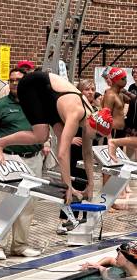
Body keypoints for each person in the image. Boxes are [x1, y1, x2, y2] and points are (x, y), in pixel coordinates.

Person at [0, 71, 113, 204]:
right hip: (33, 85)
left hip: (50, 96)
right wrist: (68, 187)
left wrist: (91, 185)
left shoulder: (90, 118)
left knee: (60, 134)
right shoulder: (76, 114)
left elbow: (87, 153)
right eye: (97, 135)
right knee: (41, 135)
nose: (95, 138)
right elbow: (62, 154)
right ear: (93, 125)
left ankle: (68, 185)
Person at [0, 68, 46, 257]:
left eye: (19, 80)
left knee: (28, 202)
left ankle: (20, 245)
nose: (15, 83)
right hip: (7, 160)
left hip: (33, 158)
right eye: (11, 80)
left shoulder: (36, 105)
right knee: (3, 202)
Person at [56, 79, 96, 234]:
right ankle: (64, 220)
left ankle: (83, 220)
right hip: (71, 153)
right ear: (80, 92)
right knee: (70, 187)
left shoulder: (93, 110)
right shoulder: (74, 109)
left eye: (93, 89)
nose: (91, 92)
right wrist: (69, 138)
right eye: (87, 89)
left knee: (85, 185)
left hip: (85, 154)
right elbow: (58, 128)